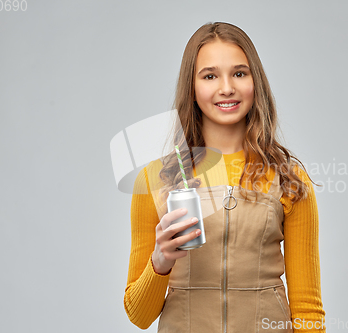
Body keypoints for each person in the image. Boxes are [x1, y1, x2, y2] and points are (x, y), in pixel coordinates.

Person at [124, 22, 326, 332]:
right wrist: (160, 261)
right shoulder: (155, 179)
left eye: (239, 73)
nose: (226, 87)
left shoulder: (290, 179)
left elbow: (308, 312)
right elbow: (139, 316)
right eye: (210, 76)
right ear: (192, 88)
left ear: (254, 82)